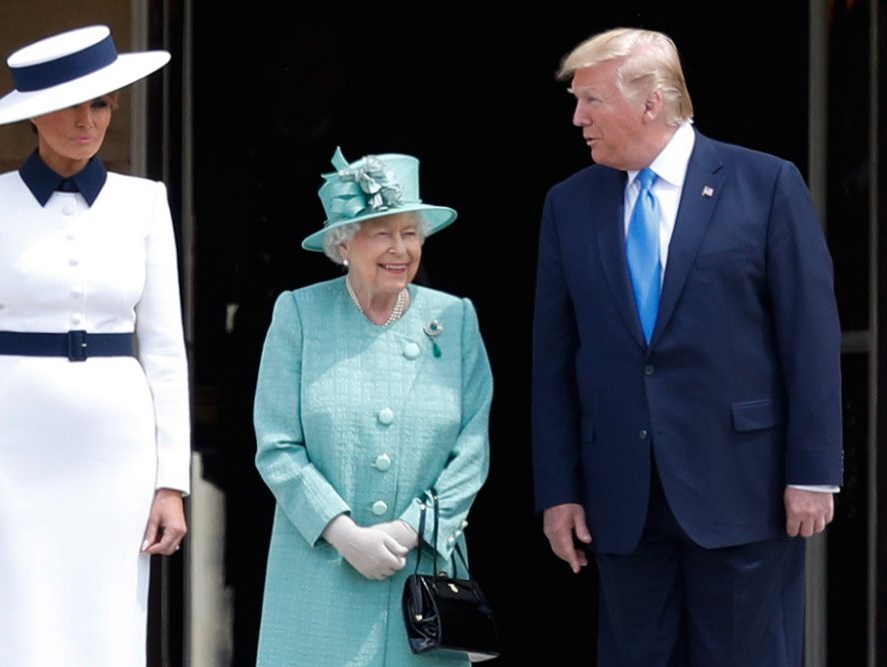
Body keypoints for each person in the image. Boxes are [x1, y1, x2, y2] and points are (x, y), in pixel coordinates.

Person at [531, 28, 842, 666]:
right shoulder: (569, 204)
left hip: (744, 493)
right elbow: (554, 360)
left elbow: (809, 341)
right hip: (622, 498)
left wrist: (813, 472)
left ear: (650, 103)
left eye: (591, 100)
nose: (577, 118)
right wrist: (557, 488)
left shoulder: (766, 184)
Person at [0, 25, 189, 667]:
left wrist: (171, 483)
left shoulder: (145, 202)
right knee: (16, 623)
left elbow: (164, 350)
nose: (88, 119)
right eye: (71, 104)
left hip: (117, 447)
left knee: (108, 624)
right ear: (32, 115)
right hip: (10, 447)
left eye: (101, 102)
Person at [253, 147, 493, 666]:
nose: (400, 249)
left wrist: (410, 529)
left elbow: (472, 450)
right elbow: (277, 446)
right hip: (319, 572)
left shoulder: (455, 320)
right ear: (343, 242)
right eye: (381, 232)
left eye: (410, 234)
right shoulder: (298, 313)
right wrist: (343, 534)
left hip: (421, 576)